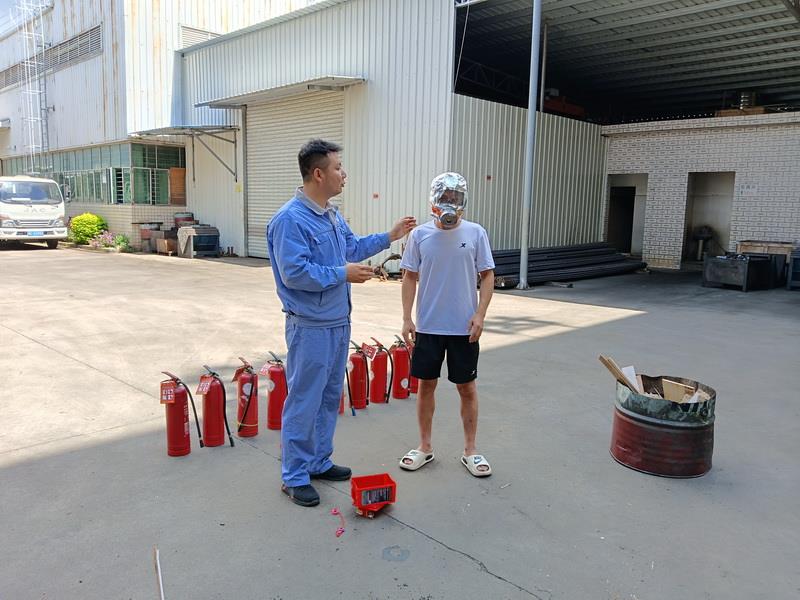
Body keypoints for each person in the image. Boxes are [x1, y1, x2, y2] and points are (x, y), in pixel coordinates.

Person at [267, 139, 415, 507]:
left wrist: (390, 236)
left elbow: (352, 248)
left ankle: (318, 461)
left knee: (330, 395)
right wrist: (341, 274)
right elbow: (294, 273)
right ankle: (294, 475)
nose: (344, 174)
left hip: (337, 322)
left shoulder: (331, 214)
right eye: (337, 168)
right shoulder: (289, 220)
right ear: (318, 174)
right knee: (304, 399)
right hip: (310, 326)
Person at [398, 172, 495, 477]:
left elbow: (487, 275)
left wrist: (480, 314)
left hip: (463, 328)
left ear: (463, 201)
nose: (450, 203)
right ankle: (424, 447)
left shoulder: (476, 233)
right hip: (428, 326)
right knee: (426, 385)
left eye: (455, 198)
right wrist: (407, 317)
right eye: (445, 197)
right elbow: (409, 276)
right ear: (434, 201)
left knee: (467, 387)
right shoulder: (419, 235)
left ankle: (471, 451)